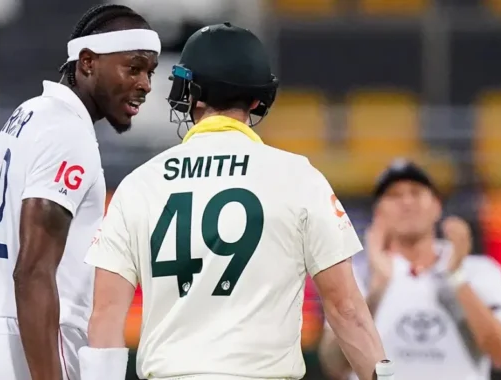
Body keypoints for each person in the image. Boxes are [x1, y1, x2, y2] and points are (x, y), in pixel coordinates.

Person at [80, 23, 393, 380]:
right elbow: (347, 310)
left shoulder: (138, 185)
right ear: (259, 100)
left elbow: (104, 314)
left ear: (189, 93)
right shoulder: (299, 177)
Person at [0, 4, 160, 380]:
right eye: (133, 68)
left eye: (150, 72)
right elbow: (33, 271)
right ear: (87, 62)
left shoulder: (32, 112)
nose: (146, 84)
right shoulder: (66, 130)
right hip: (29, 343)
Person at [318, 159, 501, 380]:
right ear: (378, 211)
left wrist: (457, 278)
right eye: (394, 195)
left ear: (437, 205)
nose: (406, 202)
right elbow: (334, 365)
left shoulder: (479, 270)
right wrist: (377, 290)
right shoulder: (356, 274)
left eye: (416, 192)